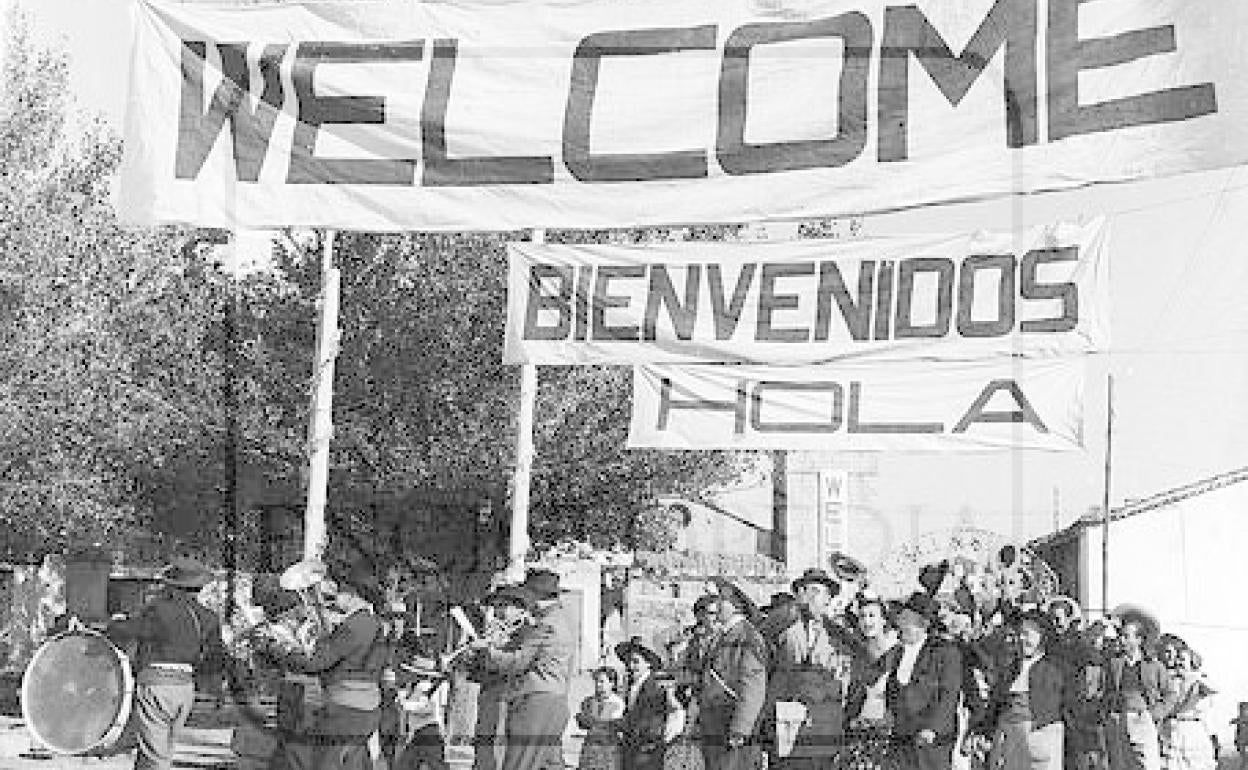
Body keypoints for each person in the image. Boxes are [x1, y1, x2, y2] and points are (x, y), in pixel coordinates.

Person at [265, 559, 390, 770]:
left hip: (345, 709)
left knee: (323, 763)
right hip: (365, 708)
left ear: (353, 595)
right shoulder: (372, 622)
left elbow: (316, 663)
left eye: (340, 591)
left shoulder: (354, 625)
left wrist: (278, 650)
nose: (334, 596)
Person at [107, 556, 224, 770]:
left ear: (172, 587)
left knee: (156, 757)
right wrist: (216, 691)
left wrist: (113, 623)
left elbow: (128, 630)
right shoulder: (209, 617)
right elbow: (216, 659)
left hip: (156, 687)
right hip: (185, 689)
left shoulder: (159, 611)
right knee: (158, 748)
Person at [470, 569, 575, 770]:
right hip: (555, 701)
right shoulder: (563, 620)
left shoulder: (545, 624)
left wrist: (487, 650)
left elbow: (518, 662)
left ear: (535, 594)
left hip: (535, 701)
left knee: (519, 764)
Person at [769, 568, 859, 769]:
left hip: (823, 728)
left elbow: (848, 679)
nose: (817, 598)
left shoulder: (837, 635)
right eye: (812, 591)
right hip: (786, 726)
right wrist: (796, 606)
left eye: (822, 593)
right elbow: (766, 629)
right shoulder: (785, 625)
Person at [885, 591, 963, 770]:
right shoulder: (897, 652)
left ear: (923, 625)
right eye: (901, 620)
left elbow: (949, 694)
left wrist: (933, 728)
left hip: (930, 741)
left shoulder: (945, 652)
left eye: (907, 621)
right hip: (901, 737)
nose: (900, 626)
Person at [982, 610, 1066, 770]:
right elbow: (996, 705)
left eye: (1027, 634)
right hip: (1008, 740)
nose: (1021, 639)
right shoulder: (1009, 669)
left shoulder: (1056, 669)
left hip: (1039, 739)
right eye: (1020, 634)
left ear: (1042, 637)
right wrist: (984, 731)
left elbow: (1067, 709)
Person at [699, 582, 768, 770]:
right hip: (715, 724)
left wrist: (741, 728)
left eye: (721, 600)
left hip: (731, 726)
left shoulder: (747, 637)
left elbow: (753, 687)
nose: (715, 606)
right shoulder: (722, 635)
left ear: (735, 606)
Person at [1104, 610, 1178, 770]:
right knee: (1120, 764)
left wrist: (1155, 714)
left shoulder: (1154, 665)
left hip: (1143, 719)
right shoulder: (1114, 663)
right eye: (1120, 636)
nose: (1121, 640)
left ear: (1138, 639)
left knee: (1147, 764)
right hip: (1118, 720)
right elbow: (1107, 692)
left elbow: (1171, 694)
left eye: (1126, 636)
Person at [841, 595, 902, 770]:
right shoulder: (856, 654)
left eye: (871, 615)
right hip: (858, 732)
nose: (866, 621)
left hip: (888, 734)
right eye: (862, 616)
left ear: (883, 620)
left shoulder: (898, 652)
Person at [617, 637, 679, 770]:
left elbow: (653, 721)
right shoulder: (632, 685)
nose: (631, 666)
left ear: (648, 663)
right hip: (631, 746)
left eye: (635, 662)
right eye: (628, 662)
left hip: (646, 749)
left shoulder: (655, 686)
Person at [1161, 644, 1216, 770]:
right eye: (1178, 659)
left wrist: (1193, 677)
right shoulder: (1171, 679)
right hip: (1172, 728)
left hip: (1192, 729)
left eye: (1182, 659)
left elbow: (1214, 689)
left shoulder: (1199, 680)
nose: (1179, 662)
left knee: (1194, 763)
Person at [577, 666, 625, 770]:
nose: (598, 685)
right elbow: (583, 723)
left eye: (602, 681)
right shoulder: (588, 702)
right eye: (597, 681)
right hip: (590, 748)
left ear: (612, 683)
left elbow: (613, 725)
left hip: (609, 749)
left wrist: (594, 723)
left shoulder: (618, 703)